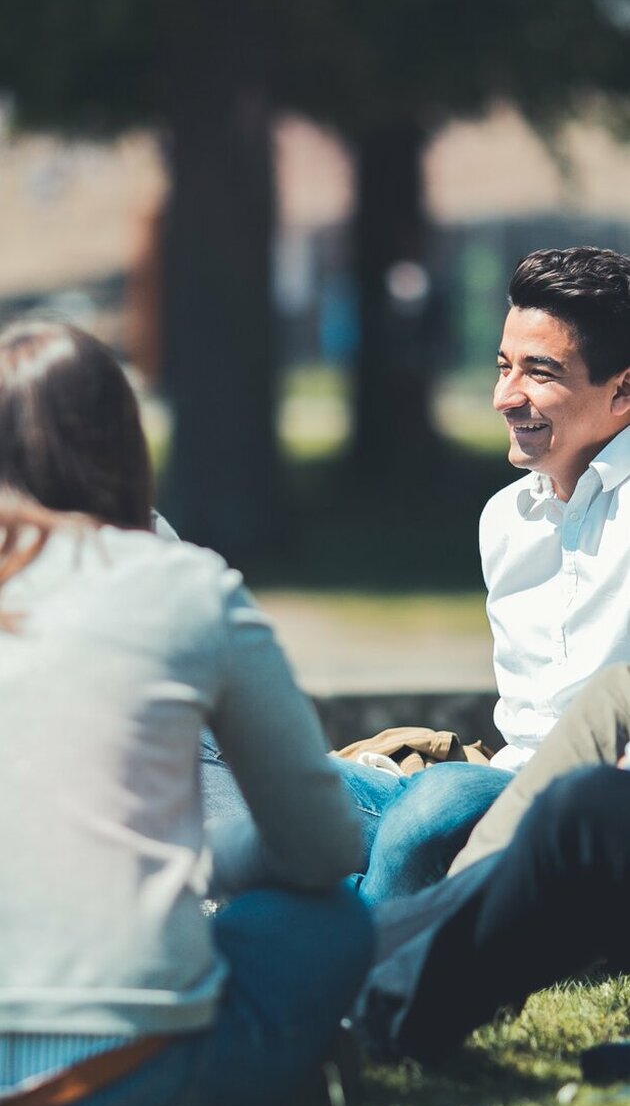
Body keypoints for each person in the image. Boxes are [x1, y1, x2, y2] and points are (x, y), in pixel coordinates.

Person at [0, 320, 373, 1106]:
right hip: (123, 1073)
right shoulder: (181, 585)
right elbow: (323, 846)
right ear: (126, 443)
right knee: (327, 923)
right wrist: (209, 862)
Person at [199, 246, 630, 899]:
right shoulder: (506, 520)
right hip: (491, 790)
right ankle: (364, 905)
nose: (503, 397)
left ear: (623, 389)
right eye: (503, 366)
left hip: (588, 820)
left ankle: (359, 968)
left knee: (436, 805)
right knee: (252, 768)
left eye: (539, 372)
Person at [356, 661, 630, 1065]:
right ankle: (350, 954)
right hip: (510, 768)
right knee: (228, 759)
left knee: (436, 807)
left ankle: (376, 997)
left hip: (514, 791)